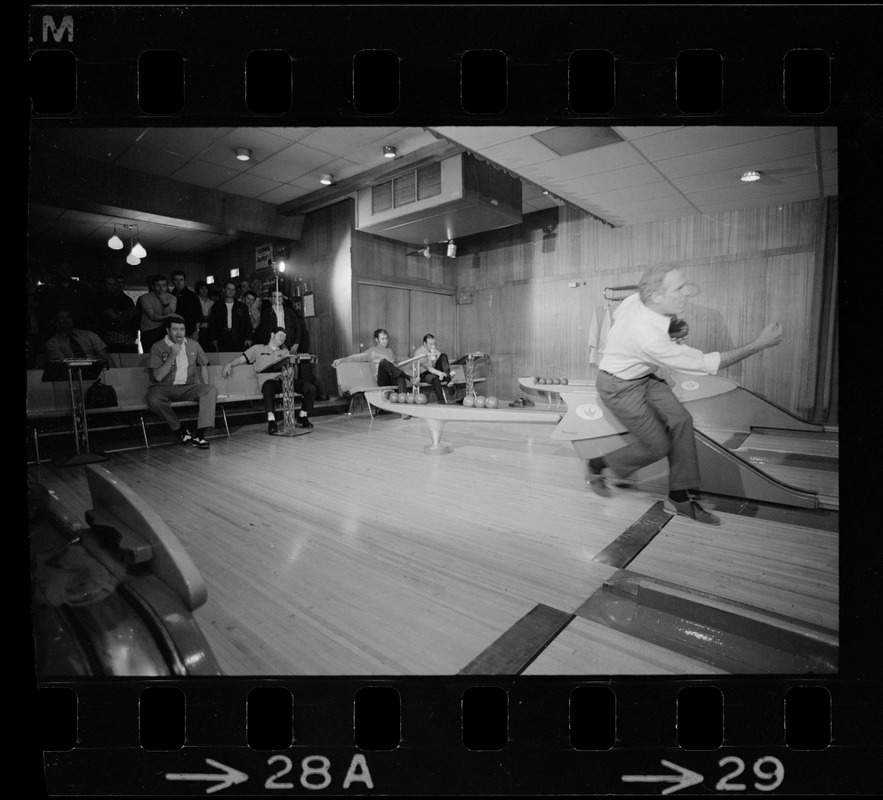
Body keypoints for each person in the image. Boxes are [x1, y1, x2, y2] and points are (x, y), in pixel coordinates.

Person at [589, 263, 784, 525]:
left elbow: (644, 324)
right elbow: (706, 363)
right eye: (679, 289)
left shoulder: (636, 300)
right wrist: (759, 344)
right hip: (618, 387)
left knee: (682, 420)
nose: (687, 293)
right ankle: (598, 464)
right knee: (657, 446)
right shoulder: (647, 337)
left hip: (643, 376)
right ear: (657, 296)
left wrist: (669, 330)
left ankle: (679, 497)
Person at [222, 326, 316, 433]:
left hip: (285, 381)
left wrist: (287, 374)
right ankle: (271, 421)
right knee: (268, 386)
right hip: (269, 383)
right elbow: (240, 360)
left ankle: (302, 416)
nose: (282, 339)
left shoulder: (285, 351)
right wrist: (229, 364)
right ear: (272, 335)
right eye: (280, 336)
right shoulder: (257, 349)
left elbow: (290, 369)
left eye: (284, 337)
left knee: (310, 388)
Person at [146, 314, 218, 449]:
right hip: (164, 387)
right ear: (168, 331)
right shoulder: (157, 347)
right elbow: (158, 377)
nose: (179, 333)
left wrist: (206, 384)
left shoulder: (193, 345)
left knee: (210, 390)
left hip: (188, 386)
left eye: (182, 329)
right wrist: (172, 355)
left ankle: (200, 435)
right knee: (154, 400)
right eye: (175, 329)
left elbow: (204, 364)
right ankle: (179, 429)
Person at [332, 329, 417, 395]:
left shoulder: (389, 351)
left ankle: (403, 407)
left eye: (386, 338)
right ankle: (409, 378)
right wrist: (342, 359)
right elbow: (356, 357)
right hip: (382, 380)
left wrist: (414, 358)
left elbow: (398, 358)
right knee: (383, 362)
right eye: (382, 339)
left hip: (392, 377)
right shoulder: (372, 351)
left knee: (401, 379)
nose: (385, 341)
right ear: (376, 340)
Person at [93, 274, 139, 353]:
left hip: (125, 337)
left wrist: (119, 314)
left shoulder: (126, 299)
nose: (113, 287)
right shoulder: (100, 298)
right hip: (106, 336)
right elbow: (112, 315)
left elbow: (132, 314)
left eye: (114, 284)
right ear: (104, 285)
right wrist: (122, 314)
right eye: (109, 284)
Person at [45, 308, 110, 364]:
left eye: (68, 317)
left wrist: (113, 374)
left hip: (96, 373)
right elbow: (63, 366)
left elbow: (106, 357)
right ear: (55, 322)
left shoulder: (89, 335)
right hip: (71, 375)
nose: (66, 320)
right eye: (61, 318)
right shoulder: (52, 343)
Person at [207, 280, 252, 352]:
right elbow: (212, 324)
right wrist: (213, 339)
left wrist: (248, 338)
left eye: (233, 289)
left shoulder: (242, 307)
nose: (231, 291)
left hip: (238, 338)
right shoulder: (217, 306)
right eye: (229, 289)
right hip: (222, 338)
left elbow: (247, 323)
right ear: (224, 290)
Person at [139, 274, 177, 353]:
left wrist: (165, 301)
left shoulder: (172, 298)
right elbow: (152, 316)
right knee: (150, 356)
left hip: (165, 331)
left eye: (163, 285)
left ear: (167, 287)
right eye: (158, 285)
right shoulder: (145, 297)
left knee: (165, 356)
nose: (161, 288)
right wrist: (167, 316)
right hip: (149, 331)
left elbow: (170, 318)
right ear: (153, 286)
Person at [412, 333, 454, 404]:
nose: (433, 346)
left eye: (434, 344)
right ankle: (442, 402)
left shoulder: (434, 350)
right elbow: (428, 368)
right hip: (424, 374)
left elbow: (443, 361)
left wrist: (444, 372)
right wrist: (439, 373)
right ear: (424, 344)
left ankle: (448, 379)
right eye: (430, 344)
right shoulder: (419, 352)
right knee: (435, 379)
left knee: (443, 355)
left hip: (435, 372)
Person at [171, 270, 203, 340]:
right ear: (173, 281)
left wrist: (196, 331)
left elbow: (199, 315)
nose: (179, 283)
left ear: (185, 281)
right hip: (173, 332)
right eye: (176, 280)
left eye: (181, 280)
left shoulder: (192, 296)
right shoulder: (170, 295)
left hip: (190, 332)